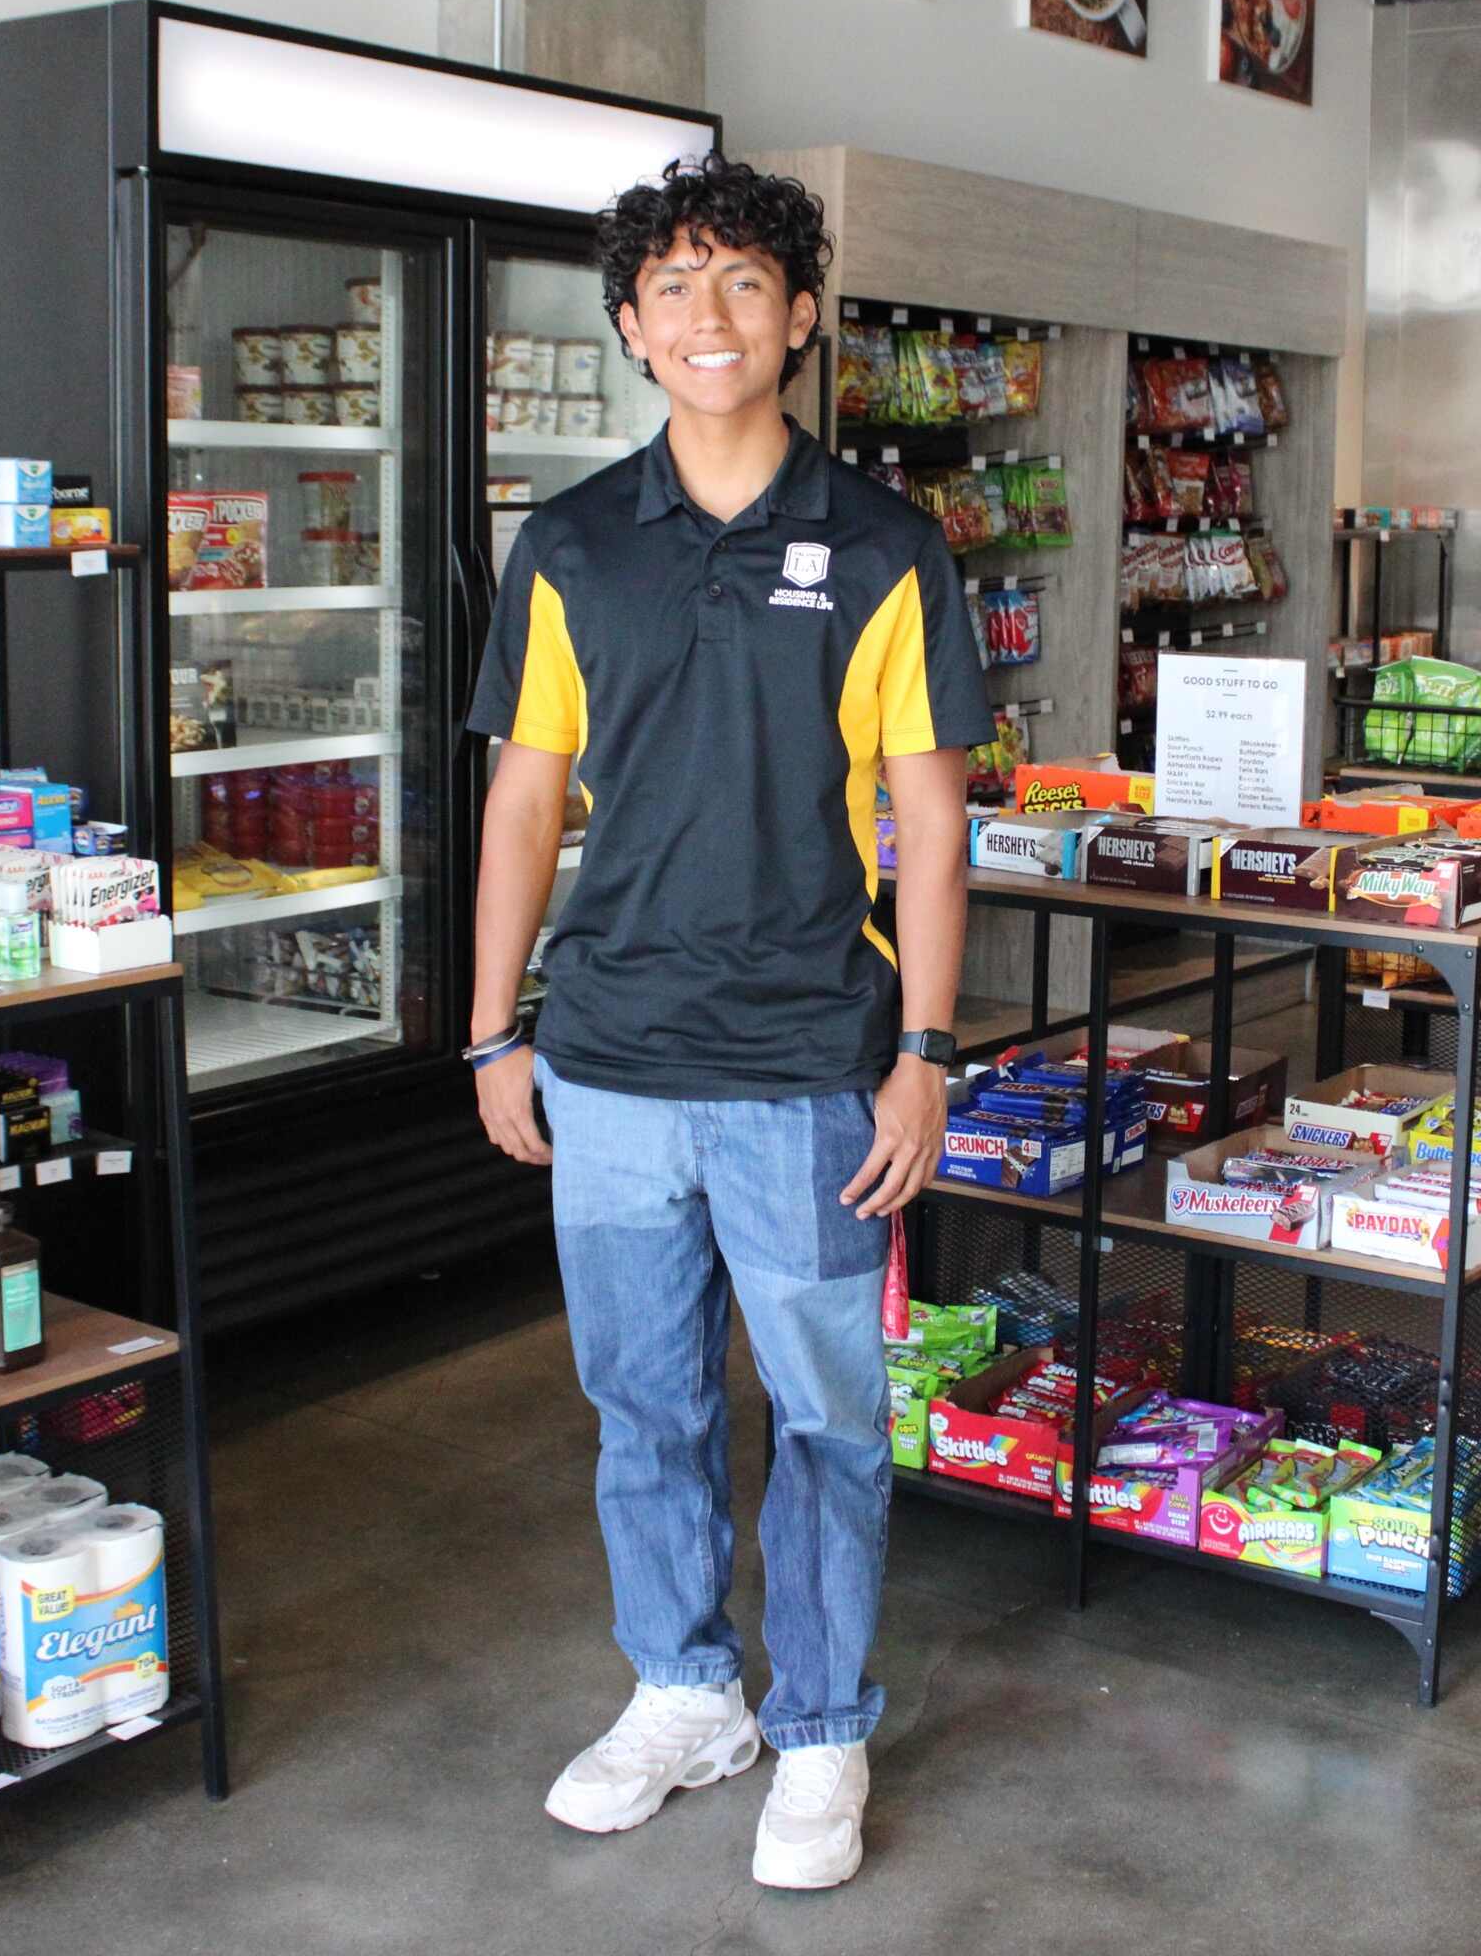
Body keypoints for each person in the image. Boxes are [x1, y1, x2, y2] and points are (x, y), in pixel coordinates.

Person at [461, 154, 988, 1890]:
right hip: (606, 1064)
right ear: (629, 326)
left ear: (802, 318)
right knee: (644, 1404)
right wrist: (493, 1029)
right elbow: (528, 804)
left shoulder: (888, 551)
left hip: (807, 1067)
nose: (710, 316)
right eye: (674, 287)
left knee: (829, 1416)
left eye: (744, 283)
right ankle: (688, 1692)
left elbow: (929, 821)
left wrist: (922, 1051)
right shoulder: (573, 545)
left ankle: (822, 1730)